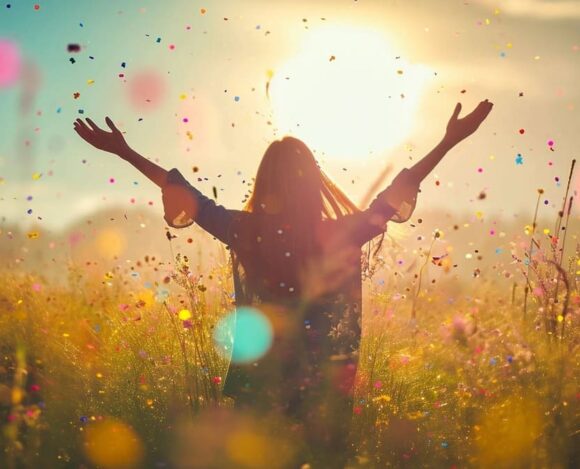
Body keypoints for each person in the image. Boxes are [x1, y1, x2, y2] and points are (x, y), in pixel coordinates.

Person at [74, 99, 493, 467]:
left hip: (259, 383)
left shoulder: (243, 229)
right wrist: (448, 141)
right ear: (312, 182)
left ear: (265, 182)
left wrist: (125, 151)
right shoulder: (335, 235)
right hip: (324, 386)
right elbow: (393, 197)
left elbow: (184, 194)